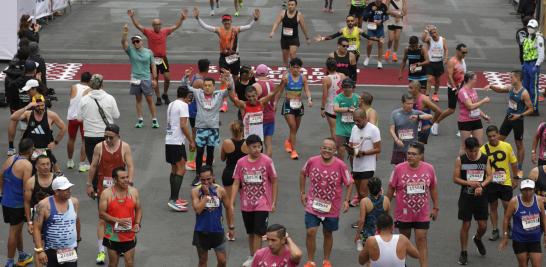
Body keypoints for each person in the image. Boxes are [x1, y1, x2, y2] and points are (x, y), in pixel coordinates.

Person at [299, 137, 353, 267]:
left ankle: (326, 260)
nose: (326, 151)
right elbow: (302, 173)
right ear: (320, 148)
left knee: (328, 233)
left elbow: (350, 182)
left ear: (335, 151)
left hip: (331, 207)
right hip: (313, 204)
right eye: (324, 148)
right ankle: (310, 261)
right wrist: (302, 193)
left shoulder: (341, 165)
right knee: (310, 232)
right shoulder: (312, 161)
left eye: (330, 149)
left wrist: (346, 200)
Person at [86, 124, 134, 265]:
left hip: (121, 188)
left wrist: (129, 182)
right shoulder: (99, 147)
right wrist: (89, 184)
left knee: (121, 216)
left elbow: (130, 165)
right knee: (103, 219)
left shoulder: (124, 147)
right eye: (105, 136)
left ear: (118, 136)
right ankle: (101, 250)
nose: (107, 139)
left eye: (110, 137)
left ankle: (120, 245)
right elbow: (94, 166)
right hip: (103, 188)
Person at [386, 142, 439, 267]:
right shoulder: (398, 168)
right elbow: (390, 189)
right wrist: (385, 209)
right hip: (403, 214)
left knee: (422, 240)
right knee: (403, 242)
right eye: (408, 153)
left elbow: (433, 189)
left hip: (422, 213)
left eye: (414, 154)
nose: (410, 156)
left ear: (421, 155)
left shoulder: (429, 168)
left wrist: (436, 207)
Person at [230, 134, 279, 267]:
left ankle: (257, 261)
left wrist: (273, 201)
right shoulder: (241, 162)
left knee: (258, 232)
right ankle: (252, 256)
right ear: (247, 147)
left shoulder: (267, 161)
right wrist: (231, 201)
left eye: (259, 146)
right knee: (250, 232)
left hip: (262, 203)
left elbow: (274, 180)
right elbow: (236, 182)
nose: (257, 149)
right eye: (254, 147)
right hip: (246, 204)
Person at [181, 68, 234, 186]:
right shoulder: (198, 93)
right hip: (200, 129)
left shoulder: (219, 94)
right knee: (199, 152)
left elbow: (231, 89)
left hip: (213, 129)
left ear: (214, 87)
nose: (207, 87)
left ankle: (209, 176)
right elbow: (185, 87)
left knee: (210, 153)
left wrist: (229, 78)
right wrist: (186, 77)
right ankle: (198, 176)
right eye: (205, 85)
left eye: (210, 85)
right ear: (203, 86)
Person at [127, 8, 188, 105]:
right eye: (156, 25)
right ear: (153, 26)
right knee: (155, 79)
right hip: (152, 60)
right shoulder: (148, 32)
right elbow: (138, 26)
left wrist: (181, 18)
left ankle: (165, 94)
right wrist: (132, 17)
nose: (158, 26)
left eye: (159, 24)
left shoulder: (165, 32)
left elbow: (176, 26)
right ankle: (159, 97)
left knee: (167, 78)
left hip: (163, 59)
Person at [453, 137, 493, 265]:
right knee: (466, 224)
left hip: (481, 196)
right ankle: (464, 252)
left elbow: (490, 176)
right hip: (466, 196)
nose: (473, 153)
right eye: (471, 152)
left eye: (475, 151)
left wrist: (481, 186)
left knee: (483, 225)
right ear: (465, 149)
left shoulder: (485, 158)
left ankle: (477, 238)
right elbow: (455, 178)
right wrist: (468, 183)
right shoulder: (460, 160)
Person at [486, 70, 533, 177]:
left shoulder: (524, 93)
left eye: (511, 77)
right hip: (509, 117)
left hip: (518, 120)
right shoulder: (511, 87)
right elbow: (501, 90)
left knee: (519, 144)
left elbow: (531, 109)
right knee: (498, 140)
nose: (509, 79)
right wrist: (491, 86)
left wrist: (520, 115)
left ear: (518, 78)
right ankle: (495, 163)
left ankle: (519, 168)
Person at [194, 7, 260, 81]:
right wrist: (197, 18)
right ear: (222, 22)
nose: (226, 22)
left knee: (235, 77)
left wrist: (255, 19)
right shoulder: (219, 30)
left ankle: (235, 91)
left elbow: (249, 26)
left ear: (231, 21)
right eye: (225, 21)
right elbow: (206, 26)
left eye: (228, 20)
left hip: (234, 57)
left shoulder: (236, 29)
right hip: (224, 58)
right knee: (224, 77)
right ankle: (224, 91)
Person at [480, 125, 519, 242]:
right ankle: (495, 229)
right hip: (490, 182)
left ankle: (508, 226)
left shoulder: (507, 146)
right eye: (489, 136)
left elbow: (513, 163)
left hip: (505, 181)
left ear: (498, 135)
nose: (492, 138)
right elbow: (481, 168)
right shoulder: (483, 149)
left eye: (494, 135)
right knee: (493, 206)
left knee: (507, 206)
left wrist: (516, 178)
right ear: (487, 137)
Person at [191, 165, 235, 267]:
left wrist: (231, 227)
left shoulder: (221, 191)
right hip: (201, 231)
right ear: (199, 178)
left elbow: (228, 208)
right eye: (203, 180)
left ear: (213, 177)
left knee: (222, 261)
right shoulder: (195, 192)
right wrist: (206, 196)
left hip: (217, 230)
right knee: (202, 261)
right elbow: (198, 209)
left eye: (208, 179)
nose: (206, 182)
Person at [32, 176, 80, 267]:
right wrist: (40, 250)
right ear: (56, 191)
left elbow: (76, 221)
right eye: (65, 189)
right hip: (52, 250)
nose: (69, 191)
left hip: (70, 250)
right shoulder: (43, 205)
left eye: (69, 188)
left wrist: (78, 240)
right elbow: (36, 228)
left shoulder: (74, 202)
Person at [99, 167, 142, 267]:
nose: (126, 180)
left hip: (129, 235)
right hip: (112, 236)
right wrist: (117, 220)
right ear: (115, 180)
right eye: (122, 178)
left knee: (129, 262)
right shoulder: (107, 194)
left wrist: (137, 223)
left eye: (127, 177)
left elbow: (139, 209)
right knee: (113, 263)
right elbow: (101, 213)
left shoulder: (133, 192)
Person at [1, 139, 34, 267]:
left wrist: (2, 192)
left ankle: (21, 255)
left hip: (6, 202)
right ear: (30, 150)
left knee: (17, 230)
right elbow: (27, 188)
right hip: (18, 204)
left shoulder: (11, 158)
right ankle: (9, 262)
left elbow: (1, 174)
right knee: (14, 232)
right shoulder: (27, 165)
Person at [10, 98, 66, 173]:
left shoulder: (51, 115)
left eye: (42, 105)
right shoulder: (28, 114)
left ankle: (58, 176)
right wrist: (26, 107)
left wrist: (55, 142)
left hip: (44, 150)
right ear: (33, 106)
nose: (41, 108)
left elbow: (63, 128)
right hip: (29, 151)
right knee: (27, 173)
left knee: (48, 172)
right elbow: (13, 117)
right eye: (38, 106)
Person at [498, 179, 546, 267]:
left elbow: (543, 217)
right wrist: (505, 236)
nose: (528, 192)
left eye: (530, 189)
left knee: (537, 265)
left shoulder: (538, 200)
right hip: (520, 240)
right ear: (521, 190)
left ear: (534, 190)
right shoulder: (514, 202)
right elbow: (506, 218)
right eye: (525, 190)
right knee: (523, 265)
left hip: (534, 239)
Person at [77, 74, 120, 166]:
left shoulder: (84, 99)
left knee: (94, 165)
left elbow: (79, 118)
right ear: (102, 84)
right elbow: (116, 115)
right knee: (108, 164)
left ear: (90, 85)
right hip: (106, 135)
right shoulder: (110, 98)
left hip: (90, 135)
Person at [121, 25, 159, 128]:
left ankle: (154, 120)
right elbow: (123, 43)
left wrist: (154, 79)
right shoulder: (131, 51)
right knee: (138, 100)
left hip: (146, 79)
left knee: (150, 100)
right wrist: (125, 33)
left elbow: (153, 65)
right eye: (134, 42)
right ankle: (140, 120)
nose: (135, 43)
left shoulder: (149, 52)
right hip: (135, 79)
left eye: (137, 41)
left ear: (142, 42)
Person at [226, 73, 283, 141]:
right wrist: (229, 88)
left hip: (258, 140)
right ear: (246, 96)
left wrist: (282, 83)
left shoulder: (261, 103)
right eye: (249, 96)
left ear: (257, 95)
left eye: (253, 96)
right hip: (247, 139)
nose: (252, 98)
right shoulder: (243, 105)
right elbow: (233, 99)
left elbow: (272, 93)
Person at [165, 86, 195, 212]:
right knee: (181, 169)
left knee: (174, 169)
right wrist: (191, 141)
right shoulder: (183, 105)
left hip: (169, 140)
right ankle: (173, 200)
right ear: (186, 95)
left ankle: (174, 198)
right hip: (177, 142)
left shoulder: (172, 104)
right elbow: (183, 125)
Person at [431, 43, 468, 136]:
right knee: (451, 110)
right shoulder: (452, 61)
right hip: (453, 88)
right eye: (463, 52)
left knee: (465, 108)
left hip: (462, 87)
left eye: (466, 52)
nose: (464, 54)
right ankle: (435, 123)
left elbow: (463, 74)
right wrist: (455, 88)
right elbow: (449, 76)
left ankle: (463, 129)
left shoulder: (463, 60)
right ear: (458, 51)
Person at [281, 58, 313, 160]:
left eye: (297, 67)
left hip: (298, 105)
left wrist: (309, 99)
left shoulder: (303, 78)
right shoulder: (286, 77)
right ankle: (294, 151)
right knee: (293, 126)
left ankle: (288, 141)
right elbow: (279, 90)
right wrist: (275, 102)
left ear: (300, 68)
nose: (295, 69)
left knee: (295, 129)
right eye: (293, 67)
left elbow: (307, 90)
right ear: (290, 67)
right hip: (288, 105)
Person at [349, 109, 381, 208]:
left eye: (358, 120)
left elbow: (378, 149)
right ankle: (365, 216)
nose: (356, 123)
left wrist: (363, 153)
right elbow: (351, 144)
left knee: (363, 193)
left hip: (368, 166)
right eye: (354, 120)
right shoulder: (354, 128)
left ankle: (367, 218)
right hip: (356, 166)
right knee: (360, 196)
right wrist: (351, 149)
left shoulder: (373, 129)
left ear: (365, 119)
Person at [315, 14, 380, 63]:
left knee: (352, 68)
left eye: (352, 21)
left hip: (355, 53)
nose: (350, 22)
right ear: (346, 22)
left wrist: (378, 39)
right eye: (348, 21)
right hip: (345, 53)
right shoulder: (343, 30)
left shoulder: (359, 30)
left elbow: (368, 37)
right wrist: (322, 38)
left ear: (354, 21)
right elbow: (332, 36)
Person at [389, 94, 432, 165]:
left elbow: (430, 116)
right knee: (399, 169)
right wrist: (396, 140)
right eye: (408, 103)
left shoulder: (415, 112)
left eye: (412, 103)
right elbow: (391, 129)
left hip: (413, 148)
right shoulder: (395, 113)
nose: (410, 106)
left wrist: (418, 117)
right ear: (402, 103)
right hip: (399, 147)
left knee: (416, 168)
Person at [186, 59, 211, 171]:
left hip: (194, 110)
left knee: (197, 133)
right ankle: (191, 160)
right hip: (194, 111)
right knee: (195, 135)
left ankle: (198, 155)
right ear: (208, 68)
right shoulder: (200, 82)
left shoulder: (196, 76)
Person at [456, 72, 490, 154]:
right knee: (465, 146)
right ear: (469, 80)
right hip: (465, 121)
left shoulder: (473, 90)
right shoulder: (462, 92)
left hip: (476, 120)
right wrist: (484, 101)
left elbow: (476, 106)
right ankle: (462, 164)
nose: (476, 81)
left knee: (480, 144)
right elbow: (470, 106)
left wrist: (483, 115)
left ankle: (478, 163)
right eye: (475, 79)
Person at [23, 155, 56, 237]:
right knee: (39, 246)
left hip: (55, 216)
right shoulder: (31, 182)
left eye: (48, 164)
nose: (46, 167)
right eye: (43, 164)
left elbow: (65, 200)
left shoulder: (57, 180)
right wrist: (29, 222)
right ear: (36, 166)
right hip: (38, 217)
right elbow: (27, 203)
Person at [270, 0, 311, 66]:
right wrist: (272, 31)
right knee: (285, 59)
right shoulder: (283, 13)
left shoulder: (299, 15)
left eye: (292, 5)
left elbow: (303, 27)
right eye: (289, 5)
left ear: (295, 6)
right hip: (284, 39)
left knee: (292, 55)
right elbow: (276, 23)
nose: (290, 6)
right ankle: (287, 71)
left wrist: (307, 38)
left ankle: (294, 70)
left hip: (294, 38)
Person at [355, 177, 390, 251]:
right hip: (382, 235)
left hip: (368, 235)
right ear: (380, 188)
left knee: (369, 259)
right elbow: (387, 218)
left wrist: (357, 235)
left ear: (368, 188)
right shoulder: (386, 200)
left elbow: (362, 221)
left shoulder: (364, 201)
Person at [66, 72, 91, 172]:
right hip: (84, 118)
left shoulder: (73, 87)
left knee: (71, 139)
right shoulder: (90, 90)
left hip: (72, 117)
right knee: (84, 141)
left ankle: (70, 161)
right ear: (89, 81)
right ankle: (81, 164)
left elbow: (71, 99)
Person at [220, 121, 248, 207]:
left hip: (229, 174)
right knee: (246, 201)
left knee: (230, 204)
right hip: (243, 174)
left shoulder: (226, 143)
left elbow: (222, 159)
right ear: (243, 130)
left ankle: (230, 220)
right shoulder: (247, 143)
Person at [253, 64, 278, 157]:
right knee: (268, 143)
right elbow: (274, 102)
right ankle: (268, 163)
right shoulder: (272, 84)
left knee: (257, 143)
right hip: (270, 116)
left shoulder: (256, 85)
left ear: (257, 73)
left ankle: (259, 163)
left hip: (259, 117)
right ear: (267, 73)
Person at [333, 78, 360, 160]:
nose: (347, 89)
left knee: (354, 152)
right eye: (345, 87)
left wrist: (356, 111)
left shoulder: (358, 98)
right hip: (341, 129)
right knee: (341, 151)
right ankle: (341, 171)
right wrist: (348, 109)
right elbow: (336, 109)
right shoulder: (338, 98)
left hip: (354, 129)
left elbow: (362, 111)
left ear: (353, 87)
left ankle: (354, 171)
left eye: (349, 87)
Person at [521, 19, 544, 116]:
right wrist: (523, 64)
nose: (530, 29)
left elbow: (541, 54)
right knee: (525, 87)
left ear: (536, 28)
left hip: (533, 64)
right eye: (529, 27)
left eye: (532, 28)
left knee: (533, 88)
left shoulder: (539, 38)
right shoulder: (527, 36)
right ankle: (527, 106)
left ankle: (534, 109)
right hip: (526, 64)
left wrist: (537, 65)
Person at [321, 58, 346, 139]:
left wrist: (322, 108)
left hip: (331, 108)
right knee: (342, 128)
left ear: (327, 67)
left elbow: (325, 95)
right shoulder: (342, 75)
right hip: (342, 106)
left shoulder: (326, 79)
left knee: (333, 129)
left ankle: (335, 148)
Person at [421, 25, 448, 102]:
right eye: (432, 33)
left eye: (435, 32)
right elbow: (423, 39)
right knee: (429, 79)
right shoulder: (429, 40)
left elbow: (446, 49)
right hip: (430, 63)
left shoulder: (443, 40)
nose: (434, 34)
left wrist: (446, 58)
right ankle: (427, 95)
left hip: (439, 63)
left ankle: (435, 94)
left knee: (437, 80)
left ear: (437, 32)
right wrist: (426, 30)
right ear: (430, 34)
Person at [363, 0, 389, 69]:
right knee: (369, 44)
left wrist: (382, 20)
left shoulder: (384, 6)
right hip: (371, 27)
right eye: (378, 1)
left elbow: (386, 16)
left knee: (380, 44)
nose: (379, 2)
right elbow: (364, 17)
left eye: (380, 1)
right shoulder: (370, 5)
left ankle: (379, 62)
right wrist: (371, 11)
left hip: (380, 28)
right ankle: (368, 57)